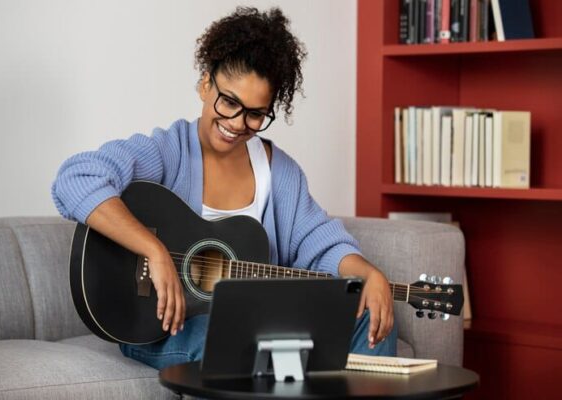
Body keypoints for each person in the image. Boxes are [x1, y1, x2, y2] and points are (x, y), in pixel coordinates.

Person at [52, 6, 396, 370]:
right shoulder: (169, 151)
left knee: (374, 314)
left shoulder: (279, 173)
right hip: (161, 325)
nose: (236, 123)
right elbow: (76, 178)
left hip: (251, 324)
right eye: (229, 101)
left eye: (255, 113)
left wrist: (368, 274)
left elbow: (319, 239)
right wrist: (154, 250)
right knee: (231, 342)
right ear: (205, 84)